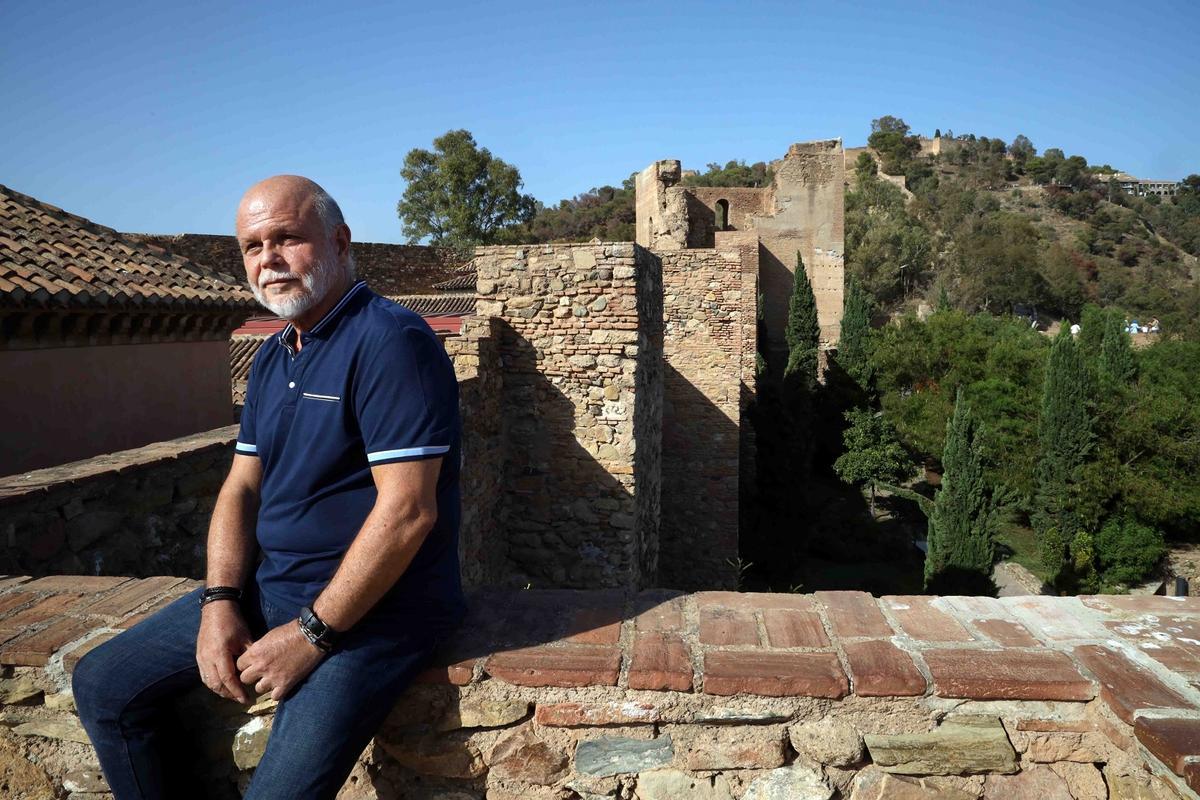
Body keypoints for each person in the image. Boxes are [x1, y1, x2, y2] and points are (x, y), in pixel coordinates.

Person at [72, 176, 465, 799]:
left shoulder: (391, 342)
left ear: (339, 241)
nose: (268, 260)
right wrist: (220, 599)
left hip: (375, 616)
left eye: (287, 238)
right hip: (272, 590)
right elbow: (241, 489)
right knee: (102, 685)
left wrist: (312, 633)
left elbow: (409, 511)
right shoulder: (275, 354)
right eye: (253, 246)